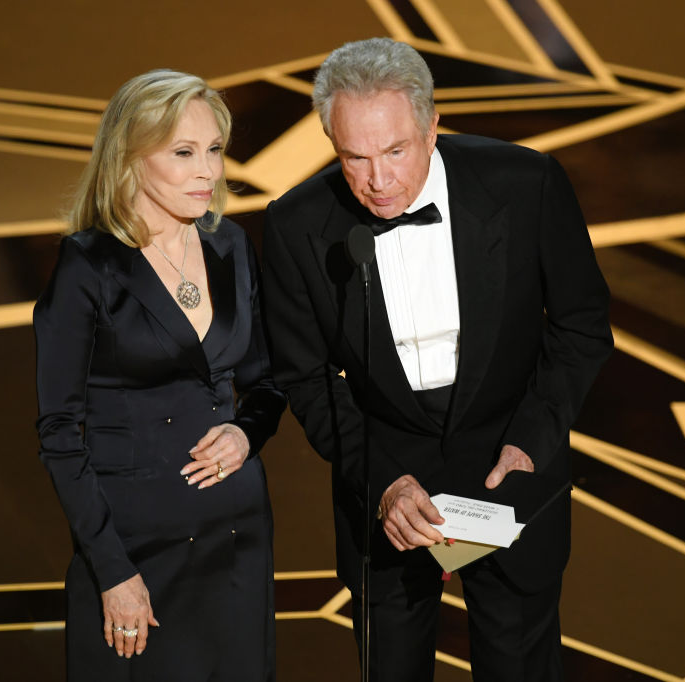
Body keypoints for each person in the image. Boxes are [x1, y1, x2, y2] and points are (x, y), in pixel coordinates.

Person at [262, 38, 612, 681]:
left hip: (511, 477)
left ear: (432, 126)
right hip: (387, 496)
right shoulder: (294, 225)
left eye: (395, 151)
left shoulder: (527, 183)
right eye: (353, 158)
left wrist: (531, 441)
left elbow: (581, 326)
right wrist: (382, 481)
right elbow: (304, 375)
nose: (378, 181)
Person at [34, 69, 284, 681]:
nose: (209, 171)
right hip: (135, 548)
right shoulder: (87, 266)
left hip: (236, 539)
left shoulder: (230, 246)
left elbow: (269, 382)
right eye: (184, 152)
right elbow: (61, 432)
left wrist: (247, 433)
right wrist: (113, 572)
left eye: (216, 151)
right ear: (130, 157)